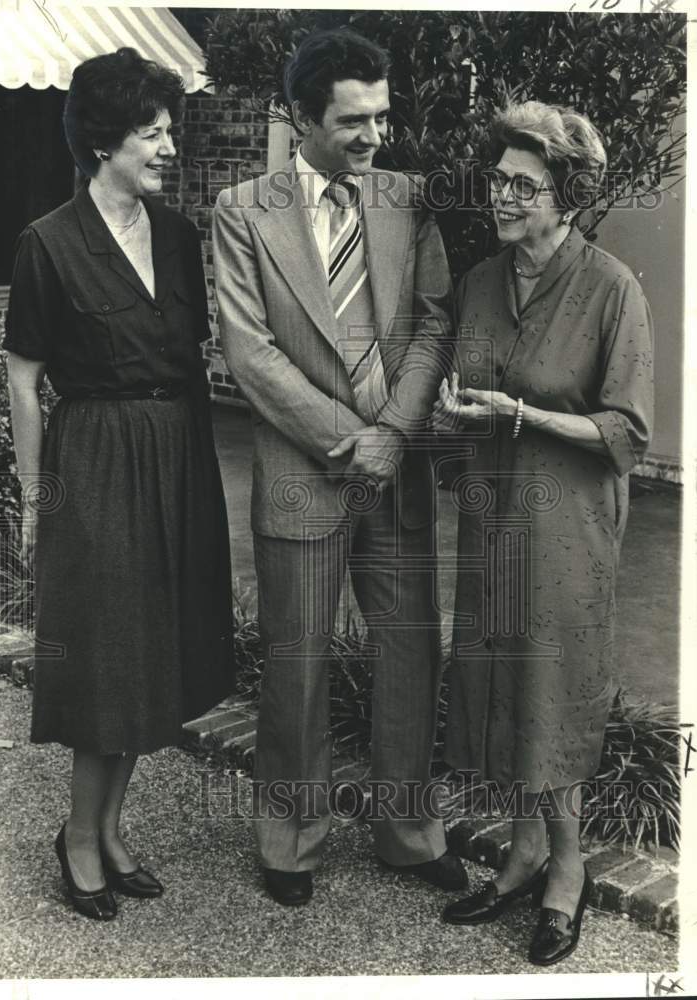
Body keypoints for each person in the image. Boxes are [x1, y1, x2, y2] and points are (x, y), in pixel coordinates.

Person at [212, 27, 464, 907]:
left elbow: (434, 324)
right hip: (300, 471)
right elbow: (249, 352)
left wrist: (394, 432)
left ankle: (407, 832)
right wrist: (352, 438)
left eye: (380, 118)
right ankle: (290, 840)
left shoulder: (407, 199)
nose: (371, 138)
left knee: (408, 654)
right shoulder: (244, 209)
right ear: (299, 117)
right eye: (352, 121)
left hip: (397, 473)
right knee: (296, 662)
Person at [4, 47, 235, 921]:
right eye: (152, 132)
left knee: (156, 656)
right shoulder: (48, 244)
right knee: (107, 659)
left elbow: (191, 358)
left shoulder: (177, 238)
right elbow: (25, 378)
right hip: (95, 460)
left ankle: (108, 828)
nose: (168, 147)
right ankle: (76, 833)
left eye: (169, 130)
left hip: (177, 453)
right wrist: (37, 499)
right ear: (104, 142)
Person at [432, 101, 654, 964]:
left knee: (551, 689)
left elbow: (626, 432)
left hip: (567, 525)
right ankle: (522, 853)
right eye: (498, 180)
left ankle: (566, 872)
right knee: (499, 680)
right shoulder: (483, 282)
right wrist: (459, 414)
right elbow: (468, 386)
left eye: (523, 185)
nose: (502, 196)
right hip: (494, 514)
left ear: (564, 196)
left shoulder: (611, 289)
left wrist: (522, 413)